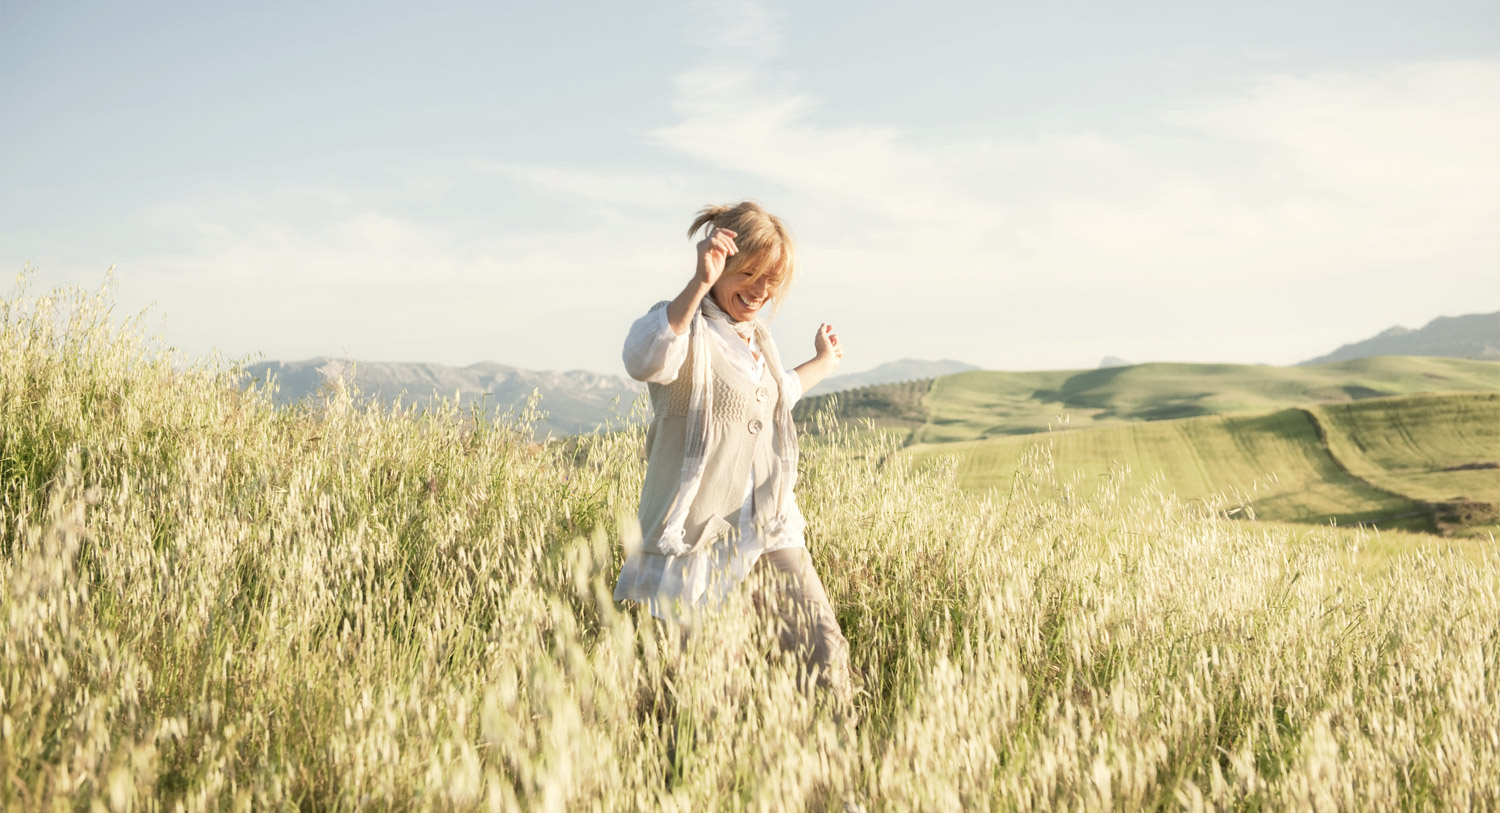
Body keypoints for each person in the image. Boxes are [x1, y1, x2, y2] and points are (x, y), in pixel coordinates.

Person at [614, 201, 851, 699]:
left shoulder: (757, 340)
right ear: (721, 265)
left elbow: (775, 394)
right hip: (695, 539)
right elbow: (642, 358)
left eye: (772, 281)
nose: (761, 291)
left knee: (824, 653)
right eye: (750, 273)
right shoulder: (684, 328)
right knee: (698, 687)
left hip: (768, 526)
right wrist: (697, 283)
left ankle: (837, 770)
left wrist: (823, 364)